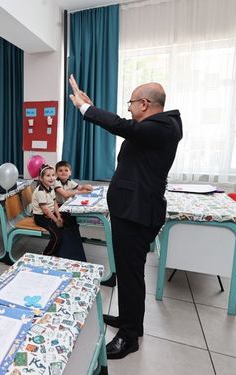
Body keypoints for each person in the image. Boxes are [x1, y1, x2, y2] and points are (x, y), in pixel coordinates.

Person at [68, 75, 183, 359]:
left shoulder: (163, 127)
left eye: (131, 103)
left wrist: (86, 109)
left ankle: (129, 337)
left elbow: (122, 125)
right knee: (128, 273)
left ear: (145, 104)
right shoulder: (154, 128)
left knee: (131, 275)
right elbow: (126, 128)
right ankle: (130, 321)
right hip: (130, 210)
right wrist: (92, 108)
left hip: (137, 213)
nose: (129, 108)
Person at [31, 165, 65, 257]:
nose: (51, 178)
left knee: (66, 221)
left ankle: (60, 249)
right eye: (48, 175)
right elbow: (46, 211)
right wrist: (56, 220)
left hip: (50, 214)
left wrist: (58, 216)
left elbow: (55, 203)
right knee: (57, 236)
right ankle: (46, 254)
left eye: (53, 175)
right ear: (41, 178)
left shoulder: (51, 188)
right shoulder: (40, 192)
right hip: (41, 217)